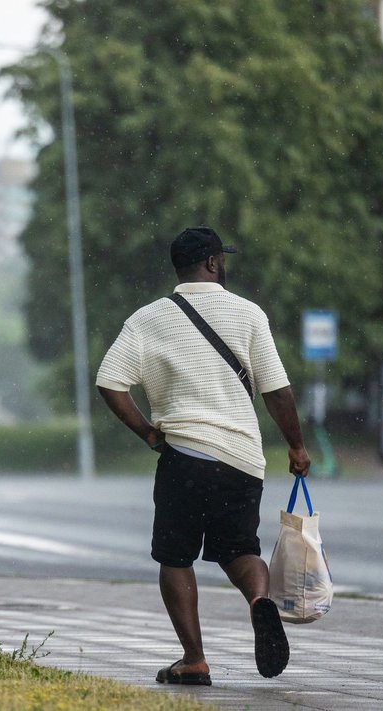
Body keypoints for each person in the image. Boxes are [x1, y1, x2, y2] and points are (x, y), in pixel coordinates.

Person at [96, 225, 311, 685]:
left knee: (176, 558)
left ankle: (194, 659)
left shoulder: (147, 319)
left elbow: (110, 381)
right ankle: (259, 602)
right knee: (240, 549)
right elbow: (278, 392)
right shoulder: (249, 314)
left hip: (184, 458)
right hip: (241, 460)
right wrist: (295, 444)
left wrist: (149, 435)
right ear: (213, 263)